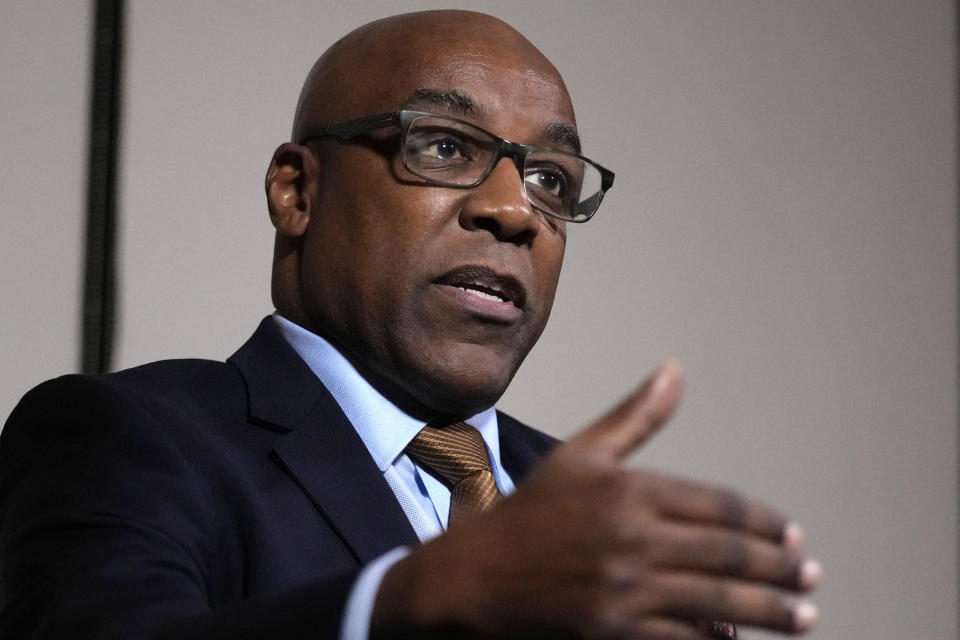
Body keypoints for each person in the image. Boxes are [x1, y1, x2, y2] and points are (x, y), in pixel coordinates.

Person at [0, 10, 821, 640]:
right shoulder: (128, 441)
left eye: (550, 179)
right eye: (443, 146)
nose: (513, 210)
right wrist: (416, 598)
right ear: (297, 191)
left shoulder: (586, 518)